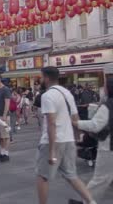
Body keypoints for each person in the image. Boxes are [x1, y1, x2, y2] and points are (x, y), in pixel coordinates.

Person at [36, 67, 96, 204]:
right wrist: (75, 138)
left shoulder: (47, 95)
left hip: (52, 141)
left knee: (43, 177)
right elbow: (75, 117)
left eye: (41, 77)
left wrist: (51, 151)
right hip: (68, 139)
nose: (40, 79)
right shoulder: (67, 93)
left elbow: (51, 123)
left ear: (46, 78)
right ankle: (91, 202)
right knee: (71, 175)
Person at [69, 78, 113, 204]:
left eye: (104, 87)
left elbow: (95, 125)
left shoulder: (108, 105)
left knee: (100, 178)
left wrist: (76, 123)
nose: (103, 90)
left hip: (109, 147)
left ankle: (86, 201)